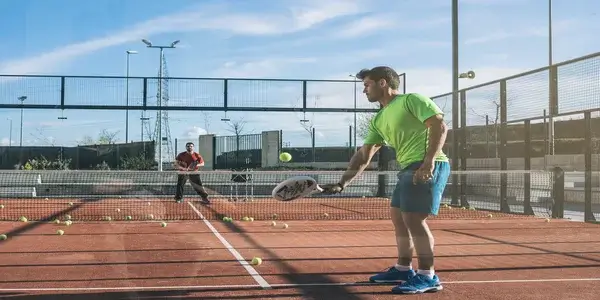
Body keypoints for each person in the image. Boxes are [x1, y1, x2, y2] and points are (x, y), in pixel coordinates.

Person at [320, 66, 450, 294]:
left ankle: (428, 275)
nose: (364, 91)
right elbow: (364, 155)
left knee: (414, 220)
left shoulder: (412, 100)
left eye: (367, 85)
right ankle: (403, 268)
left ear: (383, 83)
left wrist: (428, 162)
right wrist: (343, 183)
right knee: (399, 218)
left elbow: (439, 125)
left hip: (428, 164)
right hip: (408, 167)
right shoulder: (379, 118)